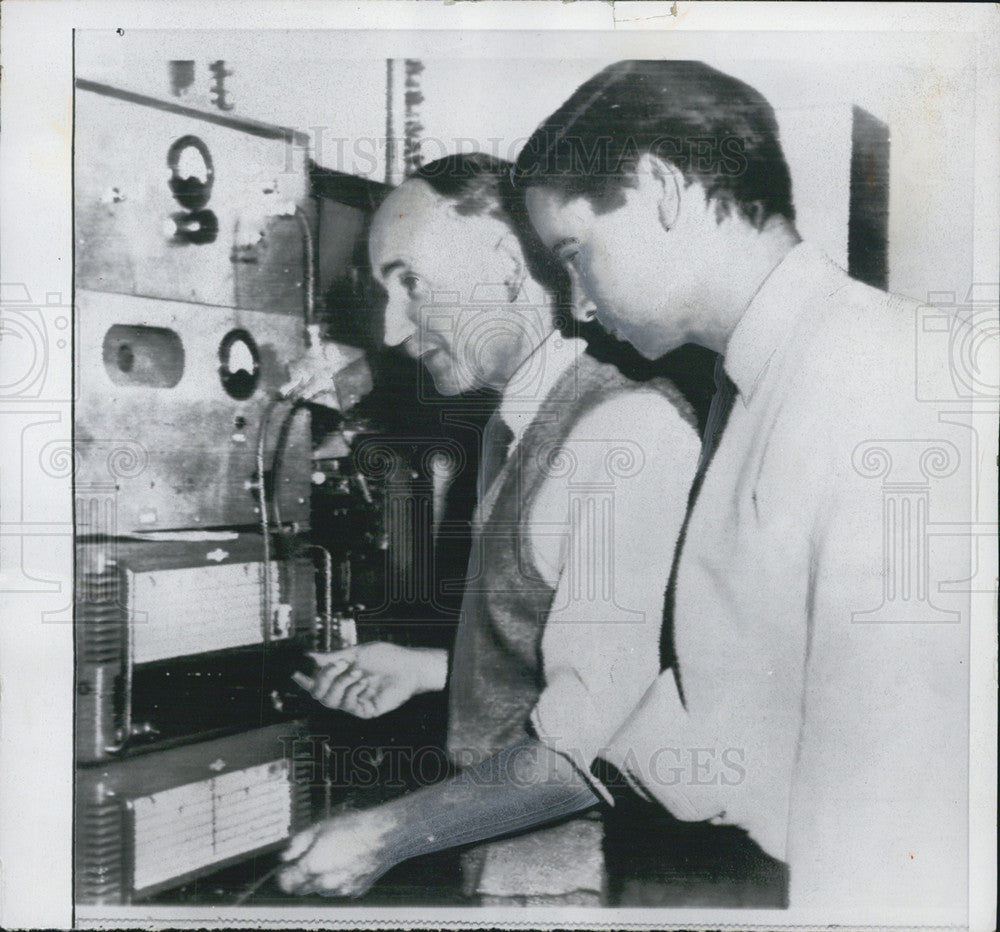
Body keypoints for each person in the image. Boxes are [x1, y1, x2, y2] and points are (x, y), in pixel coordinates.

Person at [512, 60, 969, 919]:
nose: (572, 305)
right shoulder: (758, 381)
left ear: (661, 187)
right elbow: (743, 726)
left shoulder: (878, 376)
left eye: (575, 255)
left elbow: (894, 809)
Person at [278, 153, 702, 901]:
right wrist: (432, 670)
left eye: (410, 282)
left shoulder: (618, 433)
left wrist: (387, 833)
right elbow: (582, 659)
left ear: (508, 266)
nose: (392, 323)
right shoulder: (514, 427)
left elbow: (590, 746)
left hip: (592, 888)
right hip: (509, 875)